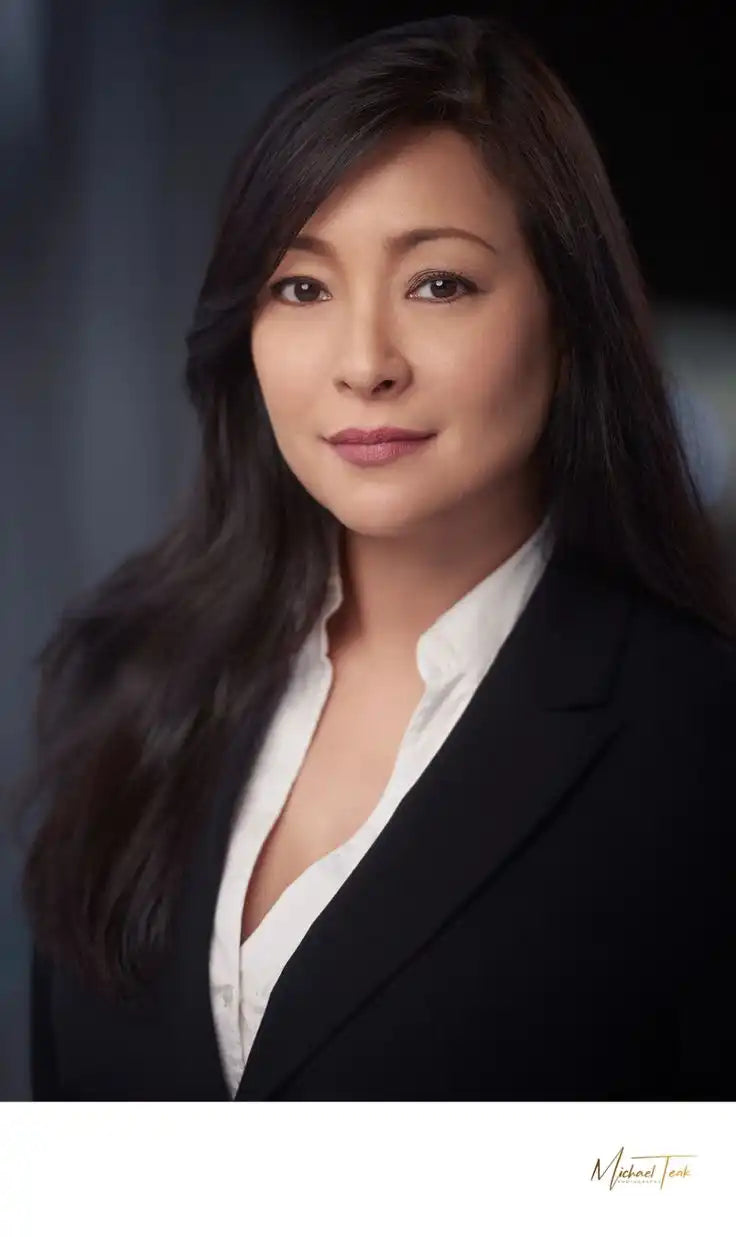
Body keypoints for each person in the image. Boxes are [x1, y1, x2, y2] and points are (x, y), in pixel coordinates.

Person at [12, 13, 736, 1101]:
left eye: (437, 283)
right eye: (301, 287)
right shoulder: (132, 676)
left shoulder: (695, 737)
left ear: (566, 317)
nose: (363, 363)